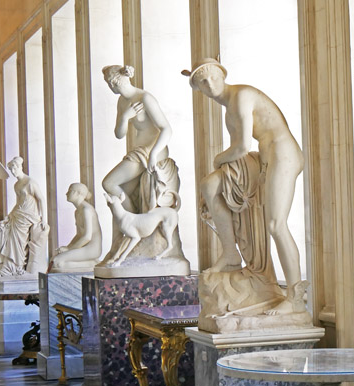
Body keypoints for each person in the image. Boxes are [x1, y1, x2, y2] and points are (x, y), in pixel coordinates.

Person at [188, 58, 305, 311]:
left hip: (282, 153)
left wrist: (218, 159)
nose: (210, 84)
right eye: (202, 82)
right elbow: (239, 151)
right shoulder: (229, 108)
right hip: (263, 158)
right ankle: (231, 254)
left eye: (213, 77)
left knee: (276, 224)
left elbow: (242, 147)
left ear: (223, 75)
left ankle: (295, 298)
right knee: (209, 185)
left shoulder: (241, 95)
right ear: (199, 90)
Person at [100, 65, 183, 264]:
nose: (110, 86)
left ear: (118, 80)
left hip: (151, 151)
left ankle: (132, 223)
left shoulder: (146, 98)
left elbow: (167, 129)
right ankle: (131, 228)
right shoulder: (123, 102)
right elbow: (119, 134)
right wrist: (124, 117)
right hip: (138, 152)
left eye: (110, 82)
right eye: (108, 83)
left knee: (109, 184)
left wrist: (154, 153)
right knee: (119, 187)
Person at [0, 157, 48, 276]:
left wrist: (44, 219)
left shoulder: (30, 182)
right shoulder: (17, 185)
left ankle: (16, 266)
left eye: (14, 168)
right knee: (5, 235)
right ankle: (7, 266)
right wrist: (9, 215)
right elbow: (18, 202)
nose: (13, 172)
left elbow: (41, 199)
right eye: (11, 169)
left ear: (20, 167)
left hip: (28, 216)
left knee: (19, 241)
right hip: (18, 215)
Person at [49, 183, 103, 272]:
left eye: (70, 191)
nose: (66, 193)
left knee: (57, 263)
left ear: (78, 193)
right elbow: (79, 235)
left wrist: (69, 249)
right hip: (84, 247)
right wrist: (67, 248)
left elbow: (87, 237)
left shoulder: (87, 210)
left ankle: (94, 263)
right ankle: (91, 262)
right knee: (53, 259)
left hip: (92, 249)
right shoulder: (77, 211)